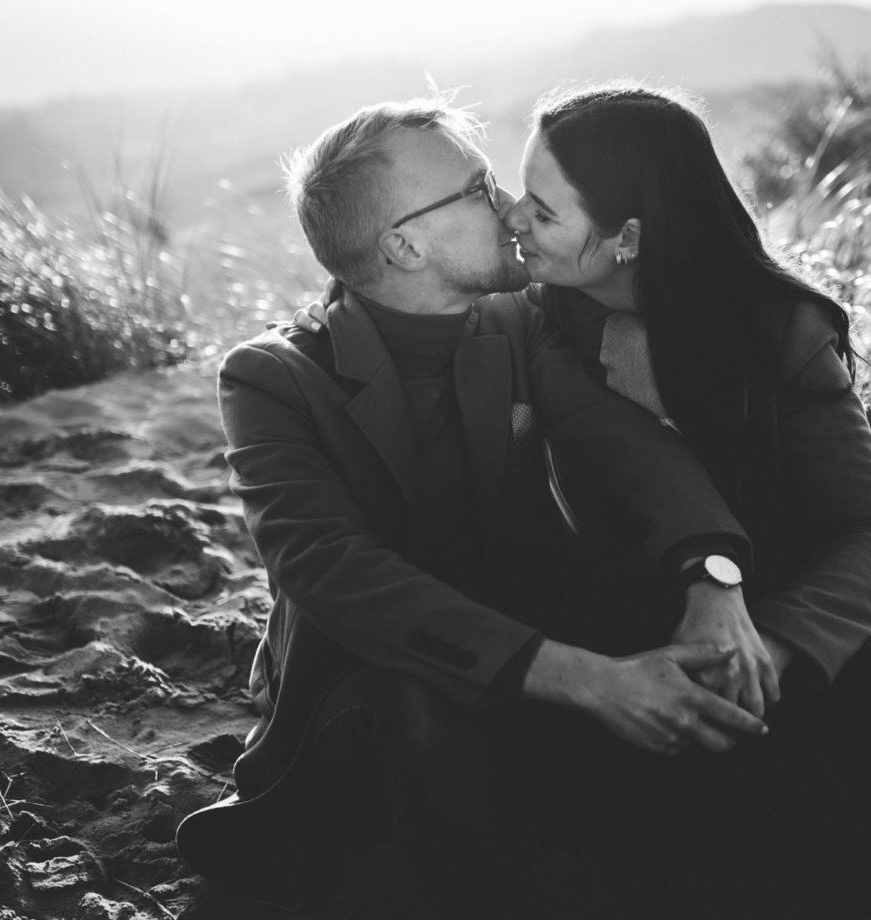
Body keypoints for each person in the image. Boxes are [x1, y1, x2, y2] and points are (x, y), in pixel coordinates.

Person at [496, 81, 871, 917]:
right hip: (640, 619)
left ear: (625, 238)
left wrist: (777, 649)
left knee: (853, 794)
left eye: (541, 208)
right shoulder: (543, 318)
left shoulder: (775, 330)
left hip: (821, 623)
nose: (513, 219)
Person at [175, 94, 782, 920]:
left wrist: (712, 579)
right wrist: (587, 682)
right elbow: (333, 570)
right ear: (405, 244)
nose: (507, 206)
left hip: (540, 644)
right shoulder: (272, 380)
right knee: (422, 714)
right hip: (374, 692)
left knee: (712, 673)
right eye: (475, 188)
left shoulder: (513, 321)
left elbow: (627, 445)